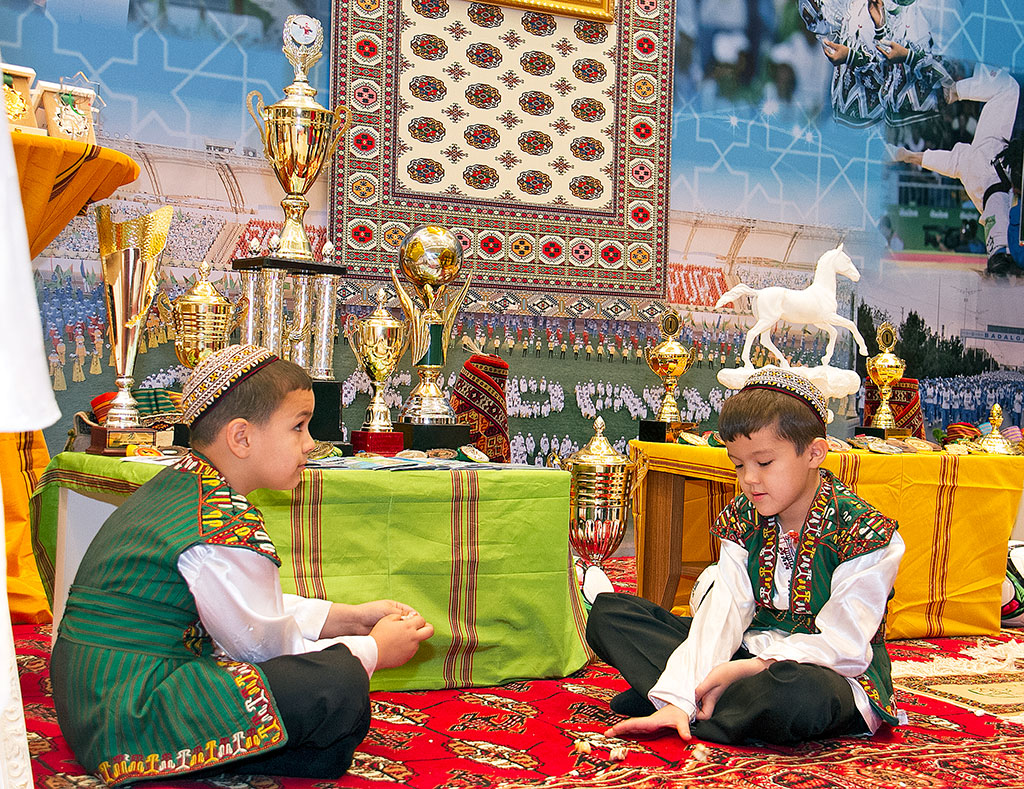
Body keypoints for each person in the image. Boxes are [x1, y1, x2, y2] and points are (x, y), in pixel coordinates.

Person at [51, 345, 434, 785]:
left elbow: (238, 607)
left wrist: (348, 620)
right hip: (128, 717)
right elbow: (266, 647)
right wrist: (374, 651)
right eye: (299, 427)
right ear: (241, 437)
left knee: (326, 686)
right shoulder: (221, 522)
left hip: (95, 697)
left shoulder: (186, 484)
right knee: (335, 684)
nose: (311, 444)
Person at [586, 368, 904, 746]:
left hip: (825, 672)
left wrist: (746, 670)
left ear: (814, 453)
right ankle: (696, 705)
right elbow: (724, 610)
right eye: (738, 464)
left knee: (794, 693)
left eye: (764, 463)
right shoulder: (744, 516)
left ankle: (692, 701)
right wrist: (679, 695)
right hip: (744, 652)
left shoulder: (865, 531)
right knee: (611, 615)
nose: (748, 479)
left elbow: (845, 645)